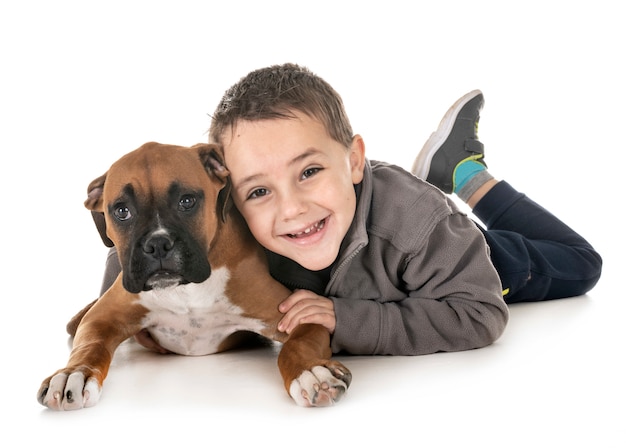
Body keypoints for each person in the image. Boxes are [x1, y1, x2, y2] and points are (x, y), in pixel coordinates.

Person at [99, 63, 602, 356]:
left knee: (580, 263)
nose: (291, 209)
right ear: (226, 196)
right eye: (259, 191)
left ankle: (465, 173)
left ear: (354, 160)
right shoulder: (235, 221)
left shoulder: (419, 227)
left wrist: (347, 319)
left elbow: (479, 314)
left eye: (309, 171)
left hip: (461, 264)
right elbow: (152, 230)